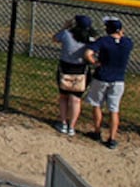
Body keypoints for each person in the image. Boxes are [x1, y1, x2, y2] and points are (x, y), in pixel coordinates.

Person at [84, 17, 134, 149]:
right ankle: (112, 138)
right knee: (114, 109)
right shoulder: (127, 42)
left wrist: (95, 62)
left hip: (102, 77)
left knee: (97, 105)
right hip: (118, 79)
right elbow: (122, 39)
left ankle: (97, 131)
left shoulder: (104, 41)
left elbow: (88, 53)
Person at [53, 14, 97, 136]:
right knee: (76, 100)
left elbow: (55, 38)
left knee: (63, 97)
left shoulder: (67, 34)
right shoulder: (90, 37)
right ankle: (71, 127)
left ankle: (63, 123)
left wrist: (65, 27)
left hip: (65, 68)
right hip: (81, 70)